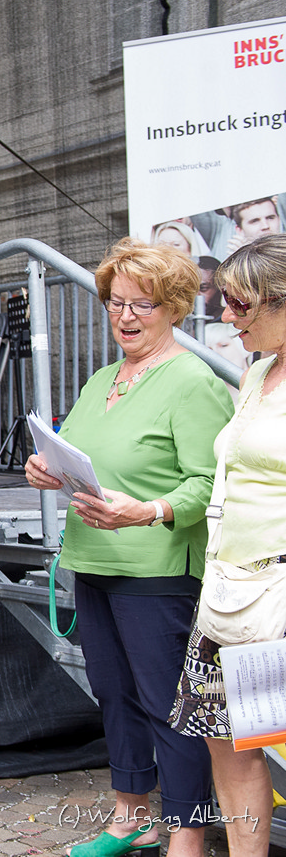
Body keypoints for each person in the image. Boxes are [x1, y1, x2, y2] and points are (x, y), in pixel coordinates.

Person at [25, 239, 230, 857]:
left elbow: (208, 484)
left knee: (171, 708)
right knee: (114, 697)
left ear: (173, 308)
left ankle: (189, 835)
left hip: (157, 568)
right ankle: (130, 818)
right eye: (116, 303)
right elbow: (85, 454)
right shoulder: (103, 377)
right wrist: (49, 470)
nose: (126, 316)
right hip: (94, 560)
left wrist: (147, 510)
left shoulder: (193, 381)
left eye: (142, 304)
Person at [169, 232, 286, 857]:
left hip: (279, 596)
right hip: (231, 591)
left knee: (274, 737)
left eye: (241, 304)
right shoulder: (258, 371)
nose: (225, 315)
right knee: (229, 740)